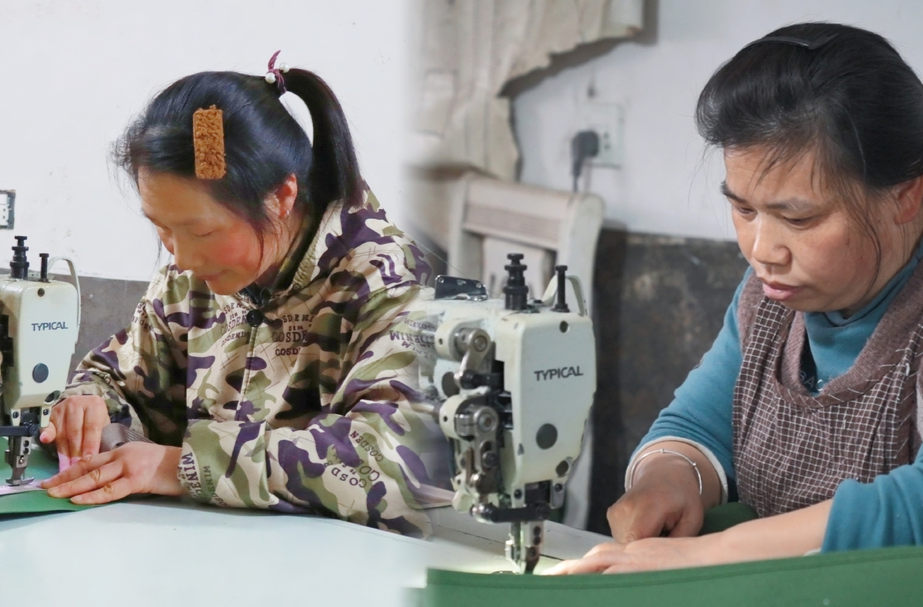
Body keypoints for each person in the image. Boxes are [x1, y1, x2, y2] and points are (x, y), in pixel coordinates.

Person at [548, 22, 923, 574]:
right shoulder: (770, 300)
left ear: (906, 197)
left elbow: (915, 503)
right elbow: (699, 423)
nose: (763, 250)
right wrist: (668, 476)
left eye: (799, 218)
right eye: (744, 209)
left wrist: (706, 553)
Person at [38, 54, 442, 538]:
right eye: (162, 228)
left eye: (201, 231)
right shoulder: (192, 279)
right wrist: (87, 404)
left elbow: (392, 463)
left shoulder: (387, 282)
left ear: (282, 197)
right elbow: (118, 378)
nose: (182, 257)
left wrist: (177, 467)